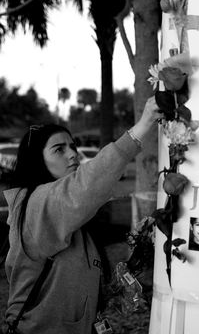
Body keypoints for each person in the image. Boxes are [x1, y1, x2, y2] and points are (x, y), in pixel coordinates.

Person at [3, 96, 161, 334]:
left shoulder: (70, 214)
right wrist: (144, 123)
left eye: (73, 146)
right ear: (37, 160)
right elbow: (89, 181)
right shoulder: (36, 204)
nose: (72, 154)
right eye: (59, 149)